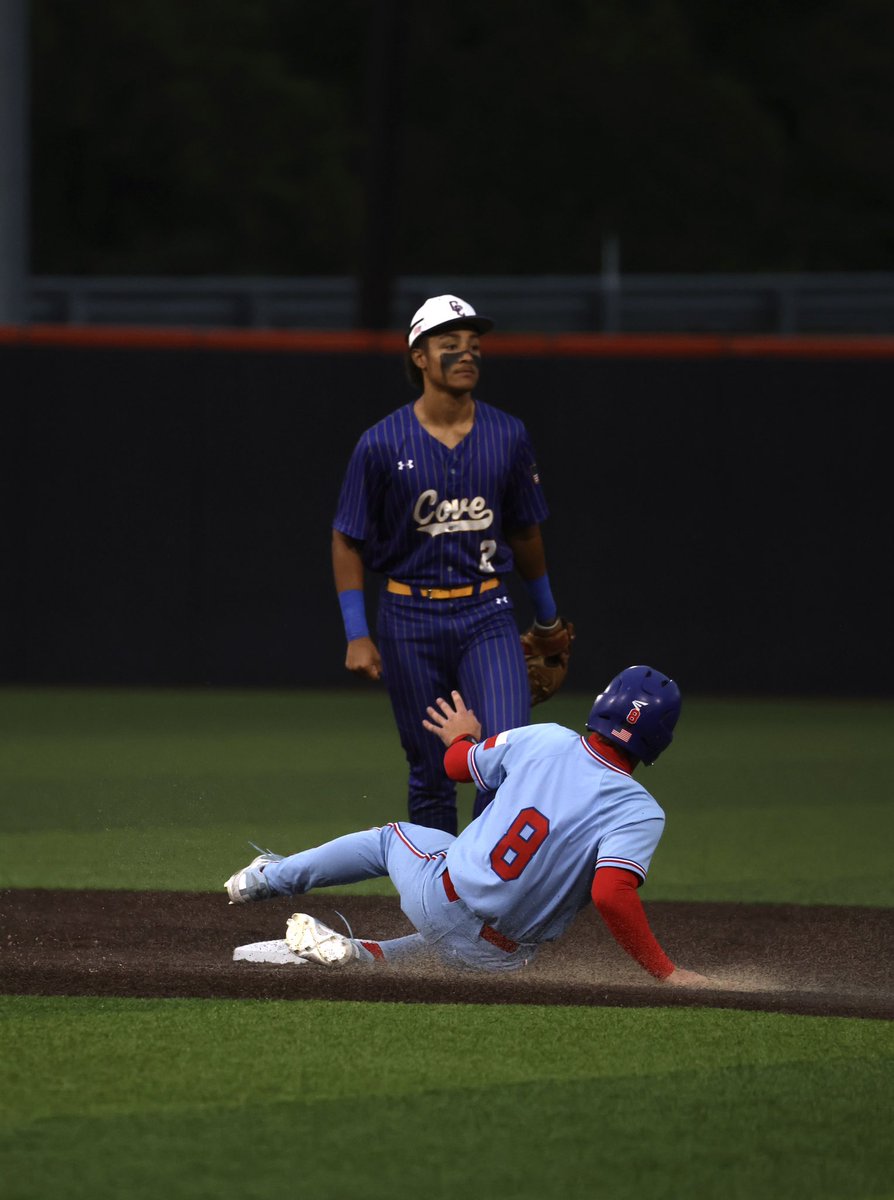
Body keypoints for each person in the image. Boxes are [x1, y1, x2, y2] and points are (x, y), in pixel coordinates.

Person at [224, 665, 713, 988]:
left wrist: (463, 736)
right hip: (501, 959)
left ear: (603, 704)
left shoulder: (547, 739)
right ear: (659, 740)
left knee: (390, 839)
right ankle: (359, 955)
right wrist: (667, 973)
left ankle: (264, 879)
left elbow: (457, 766)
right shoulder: (640, 811)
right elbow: (611, 891)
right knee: (452, 929)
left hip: (442, 899)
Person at [331, 293, 566, 835]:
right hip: (408, 619)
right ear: (419, 357)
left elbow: (525, 531)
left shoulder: (507, 434)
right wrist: (357, 633)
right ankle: (437, 885)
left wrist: (548, 617)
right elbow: (347, 539)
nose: (467, 353)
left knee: (506, 758)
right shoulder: (381, 443)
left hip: (487, 612)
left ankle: (484, 879)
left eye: (474, 345)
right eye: (450, 343)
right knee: (432, 770)